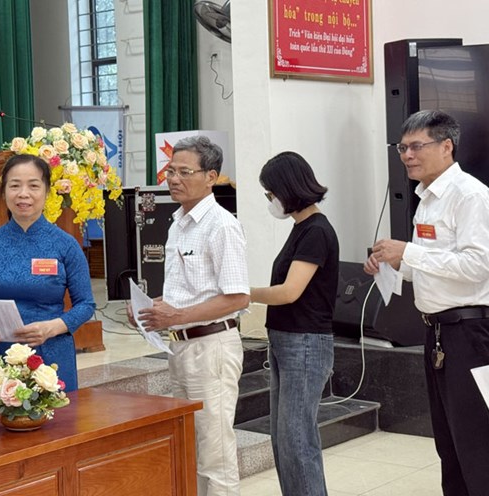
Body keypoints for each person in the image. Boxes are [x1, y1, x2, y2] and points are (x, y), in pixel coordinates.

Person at [364, 110, 489, 495]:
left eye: (417, 146)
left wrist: (411, 254)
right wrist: (395, 264)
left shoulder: (470, 196)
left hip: (470, 332)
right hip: (438, 333)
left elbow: (478, 265)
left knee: (477, 442)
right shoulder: (427, 198)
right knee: (448, 441)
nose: (407, 155)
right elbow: (435, 267)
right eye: (402, 147)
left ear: (446, 146)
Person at [129, 136, 249, 496]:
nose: (174, 179)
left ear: (211, 176)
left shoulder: (221, 225)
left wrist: (177, 313)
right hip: (180, 347)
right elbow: (188, 290)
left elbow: (237, 297)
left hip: (212, 347)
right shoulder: (178, 222)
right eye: (170, 170)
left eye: (185, 172)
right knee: (190, 444)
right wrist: (151, 307)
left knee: (215, 451)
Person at [250, 152, 338, 496]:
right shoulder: (301, 227)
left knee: (298, 442)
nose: (270, 201)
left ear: (288, 189)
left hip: (305, 344)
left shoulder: (316, 231)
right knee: (284, 440)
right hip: (286, 340)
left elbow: (289, 292)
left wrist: (244, 295)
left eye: (271, 193)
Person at [0, 154, 95, 394]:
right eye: (14, 185)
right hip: (1, 355)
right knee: (2, 425)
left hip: (52, 353)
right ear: (4, 191)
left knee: (57, 426)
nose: (23, 194)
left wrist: (53, 327)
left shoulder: (65, 244)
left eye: (33, 186)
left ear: (47, 192)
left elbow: (86, 304)